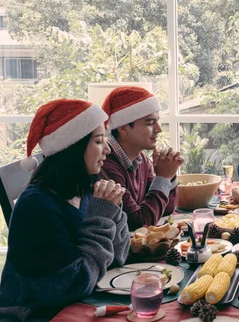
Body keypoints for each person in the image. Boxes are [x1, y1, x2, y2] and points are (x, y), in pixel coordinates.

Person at [0, 99, 130, 321]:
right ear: (73, 148)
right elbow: (71, 285)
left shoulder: (84, 189)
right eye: (99, 141)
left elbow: (118, 258)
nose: (108, 150)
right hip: (37, 314)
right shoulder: (36, 207)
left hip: (82, 301)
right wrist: (101, 217)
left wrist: (113, 211)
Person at [100, 86, 184, 230]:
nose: (159, 129)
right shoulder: (105, 163)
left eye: (157, 121)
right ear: (123, 128)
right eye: (150, 122)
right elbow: (139, 224)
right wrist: (163, 178)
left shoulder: (141, 159)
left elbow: (166, 210)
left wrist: (169, 175)